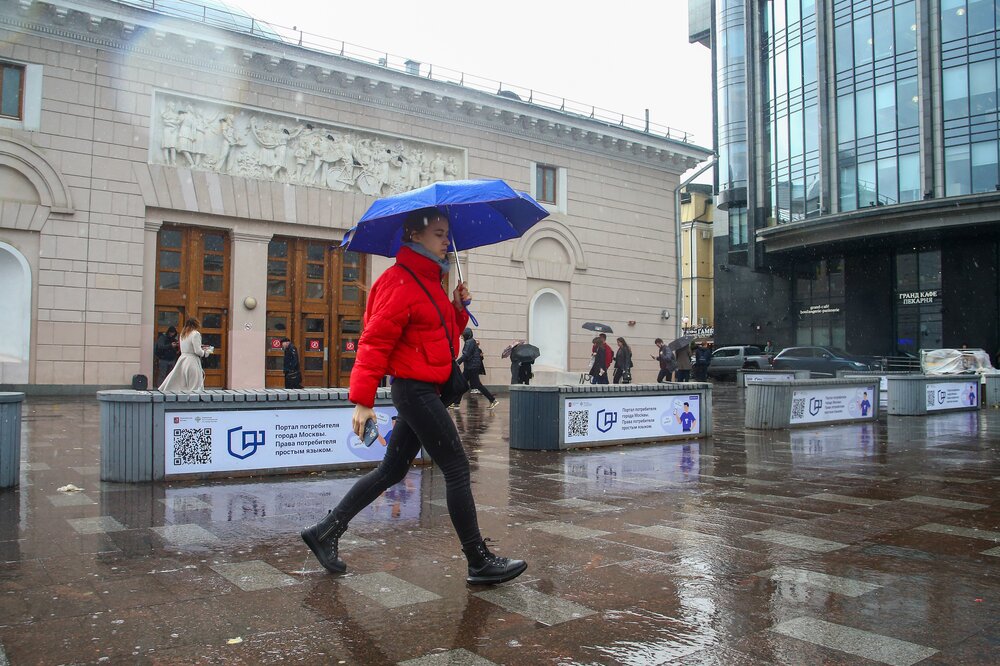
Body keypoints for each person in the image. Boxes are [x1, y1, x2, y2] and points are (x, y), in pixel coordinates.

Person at [300, 207, 526, 586]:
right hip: (414, 390)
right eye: (438, 233)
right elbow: (373, 343)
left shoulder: (429, 281)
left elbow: (439, 338)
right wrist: (362, 401)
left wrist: (456, 309)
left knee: (392, 470)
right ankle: (478, 560)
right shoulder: (397, 282)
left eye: (446, 233)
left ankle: (326, 531)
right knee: (456, 468)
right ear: (414, 235)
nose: (446, 240)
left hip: (425, 389)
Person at [158, 318, 211, 391]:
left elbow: (187, 347)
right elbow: (197, 351)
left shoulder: (183, 334)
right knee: (194, 385)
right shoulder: (196, 334)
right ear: (196, 325)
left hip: (182, 360)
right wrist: (206, 353)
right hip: (192, 361)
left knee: (182, 384)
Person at [455, 328, 498, 409]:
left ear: (466, 335)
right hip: (471, 367)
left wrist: (457, 363)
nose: (461, 337)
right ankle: (456, 403)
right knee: (463, 384)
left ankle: (493, 400)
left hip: (471, 367)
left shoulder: (469, 342)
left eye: (462, 335)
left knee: (476, 385)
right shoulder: (471, 341)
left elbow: (466, 355)